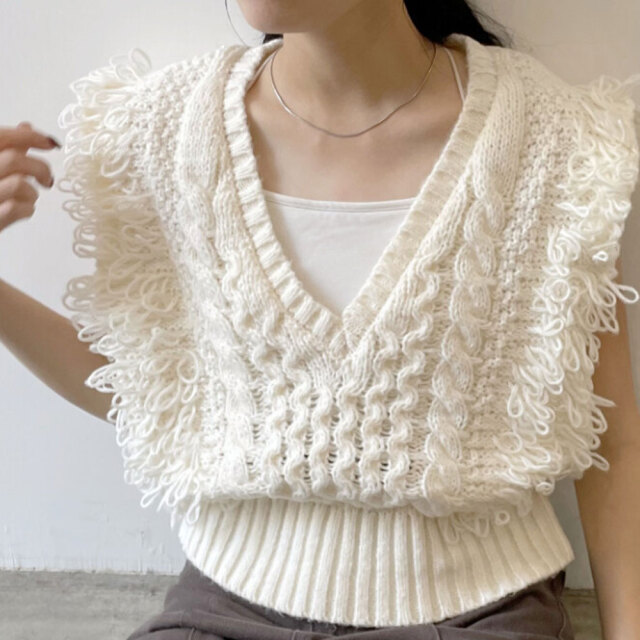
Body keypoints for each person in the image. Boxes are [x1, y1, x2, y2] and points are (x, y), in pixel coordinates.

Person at [2, 1, 640, 638]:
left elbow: (611, 440)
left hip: (481, 613)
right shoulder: (166, 131)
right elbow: (147, 393)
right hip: (224, 612)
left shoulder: (555, 142)